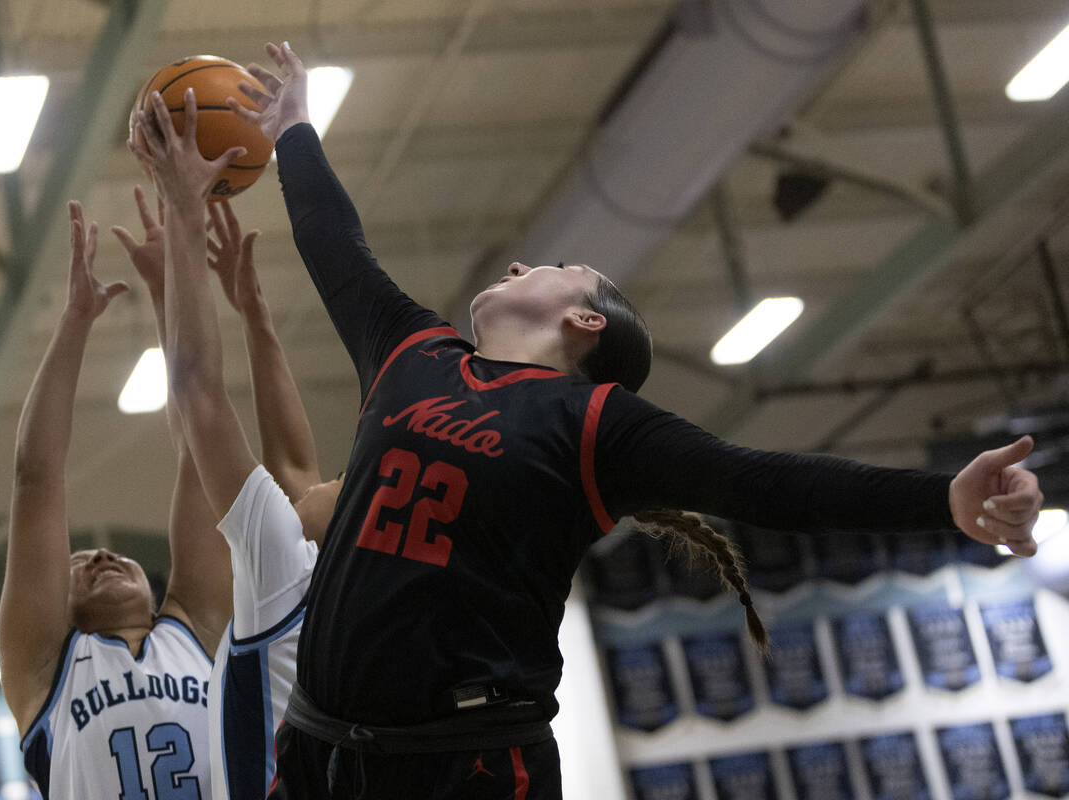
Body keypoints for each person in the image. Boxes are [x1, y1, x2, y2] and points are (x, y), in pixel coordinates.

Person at [142, 44, 1042, 798]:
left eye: (559, 265)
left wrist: (944, 500)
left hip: (469, 765)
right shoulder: (416, 355)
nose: (529, 258)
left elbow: (765, 481)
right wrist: (293, 127)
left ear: (586, 321)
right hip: (319, 754)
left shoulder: (599, 425)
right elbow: (334, 244)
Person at [112, 184, 344, 800]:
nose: (316, 483)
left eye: (340, 483)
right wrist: (253, 312)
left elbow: (199, 397)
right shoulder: (326, 582)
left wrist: (185, 215)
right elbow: (295, 464)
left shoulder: (285, 582)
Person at [0, 202, 233, 799]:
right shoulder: (42, 673)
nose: (99, 555)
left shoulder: (198, 628)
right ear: (58, 606)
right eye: (78, 564)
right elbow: (36, 480)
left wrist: (167, 290)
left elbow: (199, 445)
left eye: (102, 554)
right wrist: (75, 319)